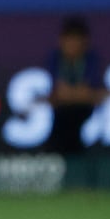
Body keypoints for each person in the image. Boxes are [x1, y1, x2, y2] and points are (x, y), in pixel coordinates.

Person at [43, 16, 105, 156]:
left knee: (74, 120)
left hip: (83, 112)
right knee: (63, 123)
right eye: (69, 40)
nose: (73, 45)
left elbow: (89, 93)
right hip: (60, 116)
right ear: (62, 41)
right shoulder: (54, 58)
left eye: (77, 40)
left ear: (85, 42)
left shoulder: (91, 59)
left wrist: (73, 95)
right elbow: (58, 92)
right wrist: (77, 94)